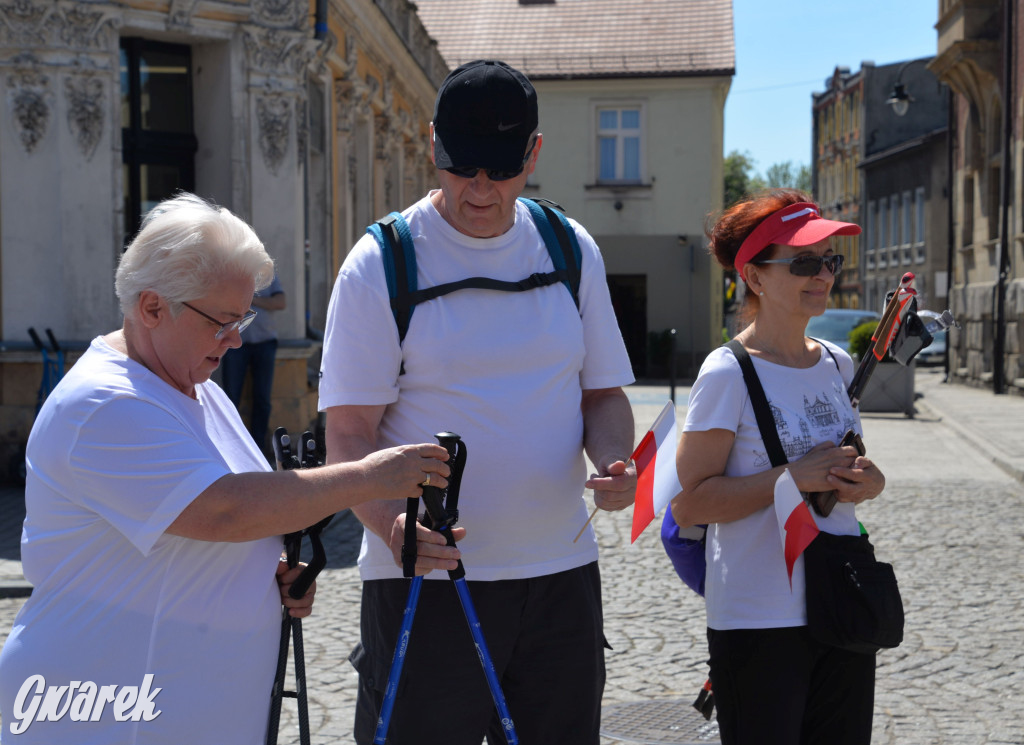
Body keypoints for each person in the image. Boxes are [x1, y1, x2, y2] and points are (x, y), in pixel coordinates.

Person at [0, 193, 450, 744]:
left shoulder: (197, 388)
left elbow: (228, 520)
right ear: (152, 308)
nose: (237, 339)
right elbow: (224, 510)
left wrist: (264, 576)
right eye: (222, 321)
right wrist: (368, 476)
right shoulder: (104, 404)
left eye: (244, 318)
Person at [319, 59, 637, 744]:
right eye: (462, 167)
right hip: (425, 583)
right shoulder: (381, 262)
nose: (481, 189)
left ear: (534, 153)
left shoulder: (569, 248)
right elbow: (346, 433)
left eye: (502, 168)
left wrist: (616, 461)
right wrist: (390, 525)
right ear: (434, 145)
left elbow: (603, 393)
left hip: (558, 578)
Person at [671, 189, 887, 745]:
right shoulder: (728, 372)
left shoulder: (837, 362)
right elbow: (690, 504)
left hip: (839, 599)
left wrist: (867, 482)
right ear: (755, 277)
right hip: (758, 614)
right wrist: (791, 478)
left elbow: (845, 467)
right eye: (804, 263)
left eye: (829, 261)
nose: (823, 275)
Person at [221, 269, 285, 454]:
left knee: (262, 399)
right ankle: (231, 449)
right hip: (235, 346)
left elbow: (280, 302)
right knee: (230, 399)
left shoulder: (267, 274)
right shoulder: (230, 274)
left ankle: (257, 450)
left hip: (265, 344)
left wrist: (250, 300)